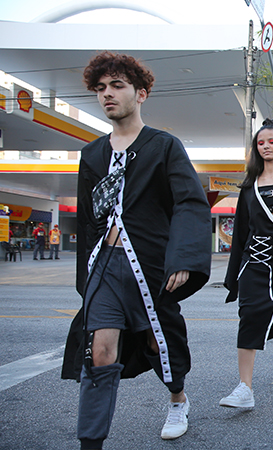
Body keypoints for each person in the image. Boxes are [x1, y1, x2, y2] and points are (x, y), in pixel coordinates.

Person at [61, 52, 211, 449]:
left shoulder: (164, 146)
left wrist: (182, 258)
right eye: (101, 88)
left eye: (117, 86)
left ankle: (178, 399)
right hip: (105, 266)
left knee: (156, 340)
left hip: (149, 265)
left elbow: (189, 204)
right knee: (101, 350)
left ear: (141, 93)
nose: (107, 94)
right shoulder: (91, 154)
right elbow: (90, 217)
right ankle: (91, 442)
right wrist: (88, 276)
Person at [221, 119, 273, 407]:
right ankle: (245, 388)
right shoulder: (249, 186)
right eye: (261, 142)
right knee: (249, 315)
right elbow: (243, 230)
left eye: (272, 141)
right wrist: (233, 272)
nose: (266, 146)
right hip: (253, 261)